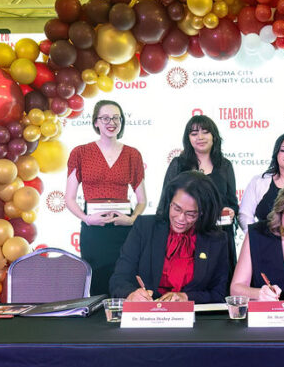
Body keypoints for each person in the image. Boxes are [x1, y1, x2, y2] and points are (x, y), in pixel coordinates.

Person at [65, 100, 146, 296]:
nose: (111, 122)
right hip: (93, 231)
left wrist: (132, 219)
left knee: (125, 281)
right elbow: (69, 199)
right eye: (105, 118)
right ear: (96, 122)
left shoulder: (132, 154)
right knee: (97, 283)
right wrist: (86, 219)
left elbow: (142, 200)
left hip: (123, 231)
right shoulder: (80, 153)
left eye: (116, 118)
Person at [110, 171, 228, 303]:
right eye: (176, 208)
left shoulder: (216, 239)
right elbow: (119, 279)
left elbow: (220, 292)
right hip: (147, 315)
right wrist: (131, 295)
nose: (181, 218)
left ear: (202, 212)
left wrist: (187, 297)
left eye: (190, 214)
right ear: (169, 202)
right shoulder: (145, 227)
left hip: (196, 319)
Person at [157, 114, 238, 271]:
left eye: (205, 132)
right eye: (194, 133)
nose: (200, 137)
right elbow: (165, 203)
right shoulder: (178, 164)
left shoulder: (225, 165)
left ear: (214, 136)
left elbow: (232, 203)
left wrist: (231, 211)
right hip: (184, 238)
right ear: (188, 139)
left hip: (217, 236)